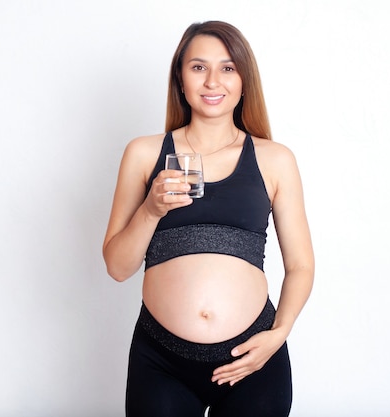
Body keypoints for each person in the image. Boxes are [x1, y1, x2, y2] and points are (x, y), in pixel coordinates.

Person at [102, 20, 314, 417]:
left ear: (244, 81)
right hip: (162, 360)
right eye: (198, 67)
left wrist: (278, 335)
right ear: (180, 80)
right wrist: (151, 208)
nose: (213, 81)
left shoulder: (275, 159)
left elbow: (301, 265)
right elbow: (117, 267)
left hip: (253, 360)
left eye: (228, 68)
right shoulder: (144, 154)